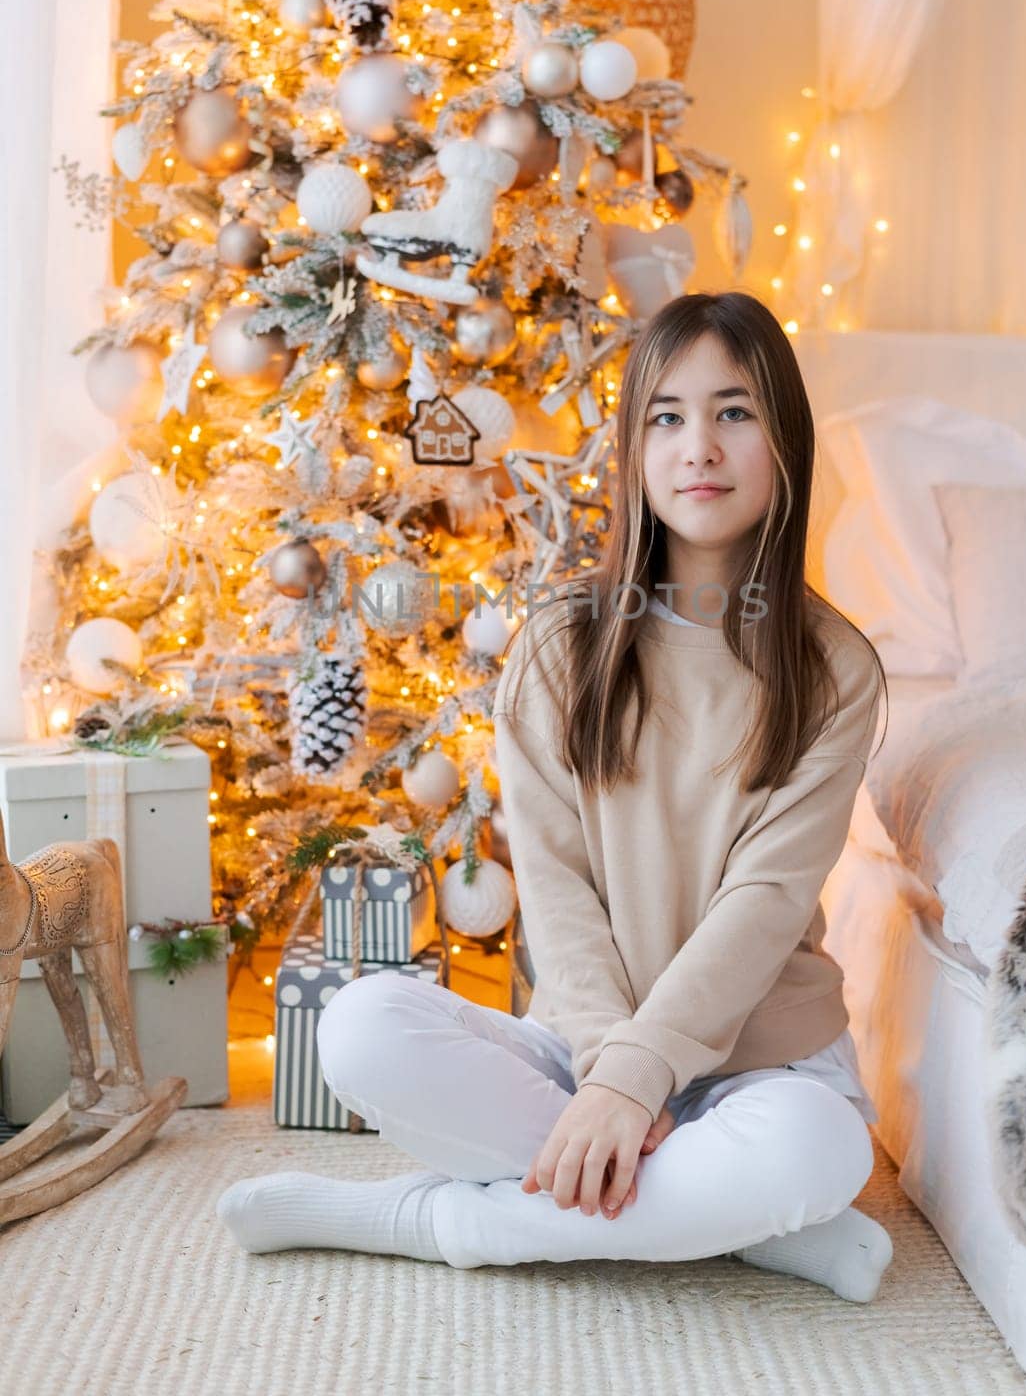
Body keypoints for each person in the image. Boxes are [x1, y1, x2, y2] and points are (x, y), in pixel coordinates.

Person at [217, 291, 894, 1302]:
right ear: (630, 448)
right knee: (357, 1025)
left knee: (815, 1150)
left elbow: (762, 905)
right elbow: (558, 887)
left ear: (782, 438)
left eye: (733, 411)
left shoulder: (834, 667)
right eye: (664, 416)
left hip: (771, 1063)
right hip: (589, 1041)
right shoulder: (558, 643)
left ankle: (420, 1217)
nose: (696, 445)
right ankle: (738, 1227)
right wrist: (613, 1073)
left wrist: (639, 1081)